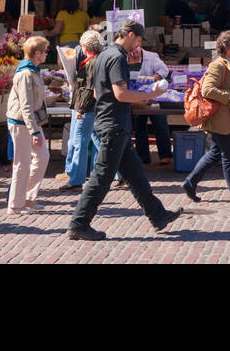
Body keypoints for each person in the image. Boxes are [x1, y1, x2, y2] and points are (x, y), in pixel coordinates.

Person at [67, 20, 183, 241]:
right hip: (114, 125)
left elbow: (96, 93)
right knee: (102, 177)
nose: (138, 45)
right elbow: (121, 94)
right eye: (138, 40)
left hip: (110, 122)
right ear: (129, 35)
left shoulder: (103, 54)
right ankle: (79, 223)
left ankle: (158, 215)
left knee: (135, 173)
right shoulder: (118, 57)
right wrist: (149, 95)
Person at [182, 30, 230, 204]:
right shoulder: (218, 65)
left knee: (215, 153)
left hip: (229, 118)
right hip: (222, 119)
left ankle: (190, 182)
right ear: (228, 48)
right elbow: (207, 90)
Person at [6, 35, 51, 217]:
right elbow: (25, 105)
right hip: (21, 122)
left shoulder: (32, 70)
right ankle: (15, 205)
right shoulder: (25, 73)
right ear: (37, 53)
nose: (47, 53)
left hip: (30, 122)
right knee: (22, 163)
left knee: (42, 157)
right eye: (45, 51)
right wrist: (34, 132)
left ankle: (28, 198)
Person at [58, 30, 104, 190]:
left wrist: (80, 110)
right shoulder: (97, 60)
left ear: (86, 47)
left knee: (79, 141)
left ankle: (76, 179)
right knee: (97, 139)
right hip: (93, 106)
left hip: (87, 107)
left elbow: (89, 89)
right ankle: (112, 174)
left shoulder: (92, 63)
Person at [128, 38, 173, 166]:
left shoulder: (151, 56)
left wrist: (151, 79)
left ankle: (165, 155)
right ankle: (143, 157)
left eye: (136, 48)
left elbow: (164, 70)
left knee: (160, 124)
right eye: (132, 50)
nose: (134, 52)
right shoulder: (125, 58)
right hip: (137, 98)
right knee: (139, 127)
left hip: (154, 97)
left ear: (140, 45)